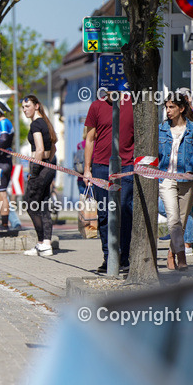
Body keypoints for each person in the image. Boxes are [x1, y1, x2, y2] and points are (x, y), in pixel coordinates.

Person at [83, 88, 135, 273]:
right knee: (105, 214)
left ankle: (124, 257)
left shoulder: (132, 104)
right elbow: (89, 139)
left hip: (126, 166)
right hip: (101, 167)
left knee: (125, 211)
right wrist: (87, 169)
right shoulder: (96, 106)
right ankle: (109, 257)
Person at [158, 91, 193, 271]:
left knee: (182, 220)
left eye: (172, 107)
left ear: (181, 108)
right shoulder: (161, 128)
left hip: (187, 179)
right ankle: (180, 255)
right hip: (166, 178)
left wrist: (191, 170)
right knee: (173, 219)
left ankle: (171, 253)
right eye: (166, 107)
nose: (168, 111)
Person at [21, 95, 57, 256]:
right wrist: (49, 163)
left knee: (30, 203)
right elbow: (53, 147)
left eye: (27, 106)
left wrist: (33, 172)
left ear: (36, 106)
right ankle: (46, 245)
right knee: (43, 204)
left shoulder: (36, 124)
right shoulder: (46, 122)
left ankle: (42, 242)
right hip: (49, 166)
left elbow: (40, 150)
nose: (24, 110)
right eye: (23, 107)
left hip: (40, 168)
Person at [0, 100, 15, 233]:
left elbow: (3, 139)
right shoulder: (1, 122)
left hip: (2, 162)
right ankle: (4, 222)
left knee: (1, 194)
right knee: (0, 193)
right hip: (4, 161)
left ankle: (5, 224)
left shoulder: (3, 122)